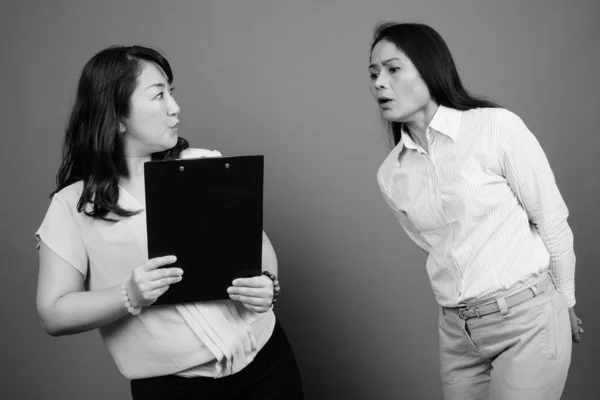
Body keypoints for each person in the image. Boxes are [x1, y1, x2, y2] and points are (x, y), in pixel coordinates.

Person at [35, 45, 303, 400]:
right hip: (173, 390)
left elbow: (257, 242)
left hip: (268, 366)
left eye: (171, 93)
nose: (174, 108)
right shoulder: (73, 206)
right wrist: (128, 295)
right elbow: (54, 313)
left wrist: (268, 283)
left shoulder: (204, 165)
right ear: (116, 117)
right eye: (158, 95)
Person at [369, 22, 583, 400]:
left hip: (527, 322)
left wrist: (565, 301)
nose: (379, 83)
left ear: (429, 68)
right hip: (458, 336)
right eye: (373, 74)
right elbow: (437, 245)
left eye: (393, 68)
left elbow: (550, 217)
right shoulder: (391, 174)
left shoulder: (494, 127)